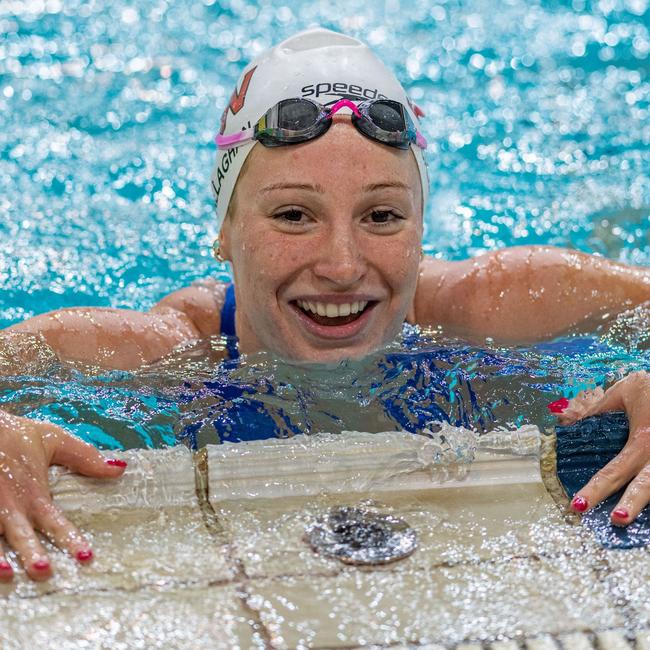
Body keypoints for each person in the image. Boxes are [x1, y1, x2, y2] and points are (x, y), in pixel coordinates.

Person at [1, 27, 649, 582]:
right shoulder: (160, 355)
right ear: (224, 232)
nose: (341, 266)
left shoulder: (502, 307)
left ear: (422, 227)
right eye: (293, 214)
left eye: (382, 215)